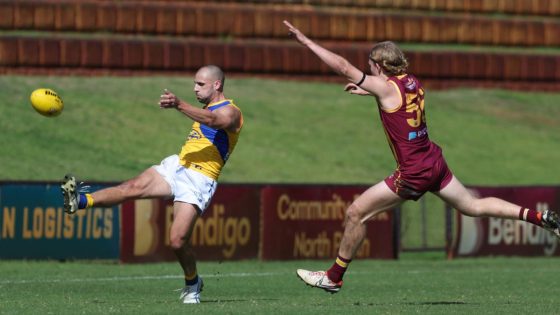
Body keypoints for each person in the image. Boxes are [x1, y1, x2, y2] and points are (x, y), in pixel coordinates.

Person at [283, 20, 560, 293]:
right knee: (473, 207)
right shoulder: (412, 81)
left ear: (379, 66)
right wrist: (369, 92)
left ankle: (333, 277)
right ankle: (540, 218)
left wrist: (306, 42)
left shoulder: (385, 87)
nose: (368, 70)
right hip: (434, 162)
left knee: (356, 213)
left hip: (414, 172)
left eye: (370, 66)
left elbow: (344, 68)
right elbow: (398, 102)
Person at [61, 65, 243, 304]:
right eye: (195, 83)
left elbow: (215, 121)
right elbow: (206, 117)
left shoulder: (232, 111)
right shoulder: (203, 109)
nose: (194, 89)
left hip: (200, 179)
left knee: (177, 241)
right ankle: (80, 201)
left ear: (217, 84)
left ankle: (192, 282)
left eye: (200, 84)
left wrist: (179, 104)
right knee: (131, 188)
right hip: (178, 165)